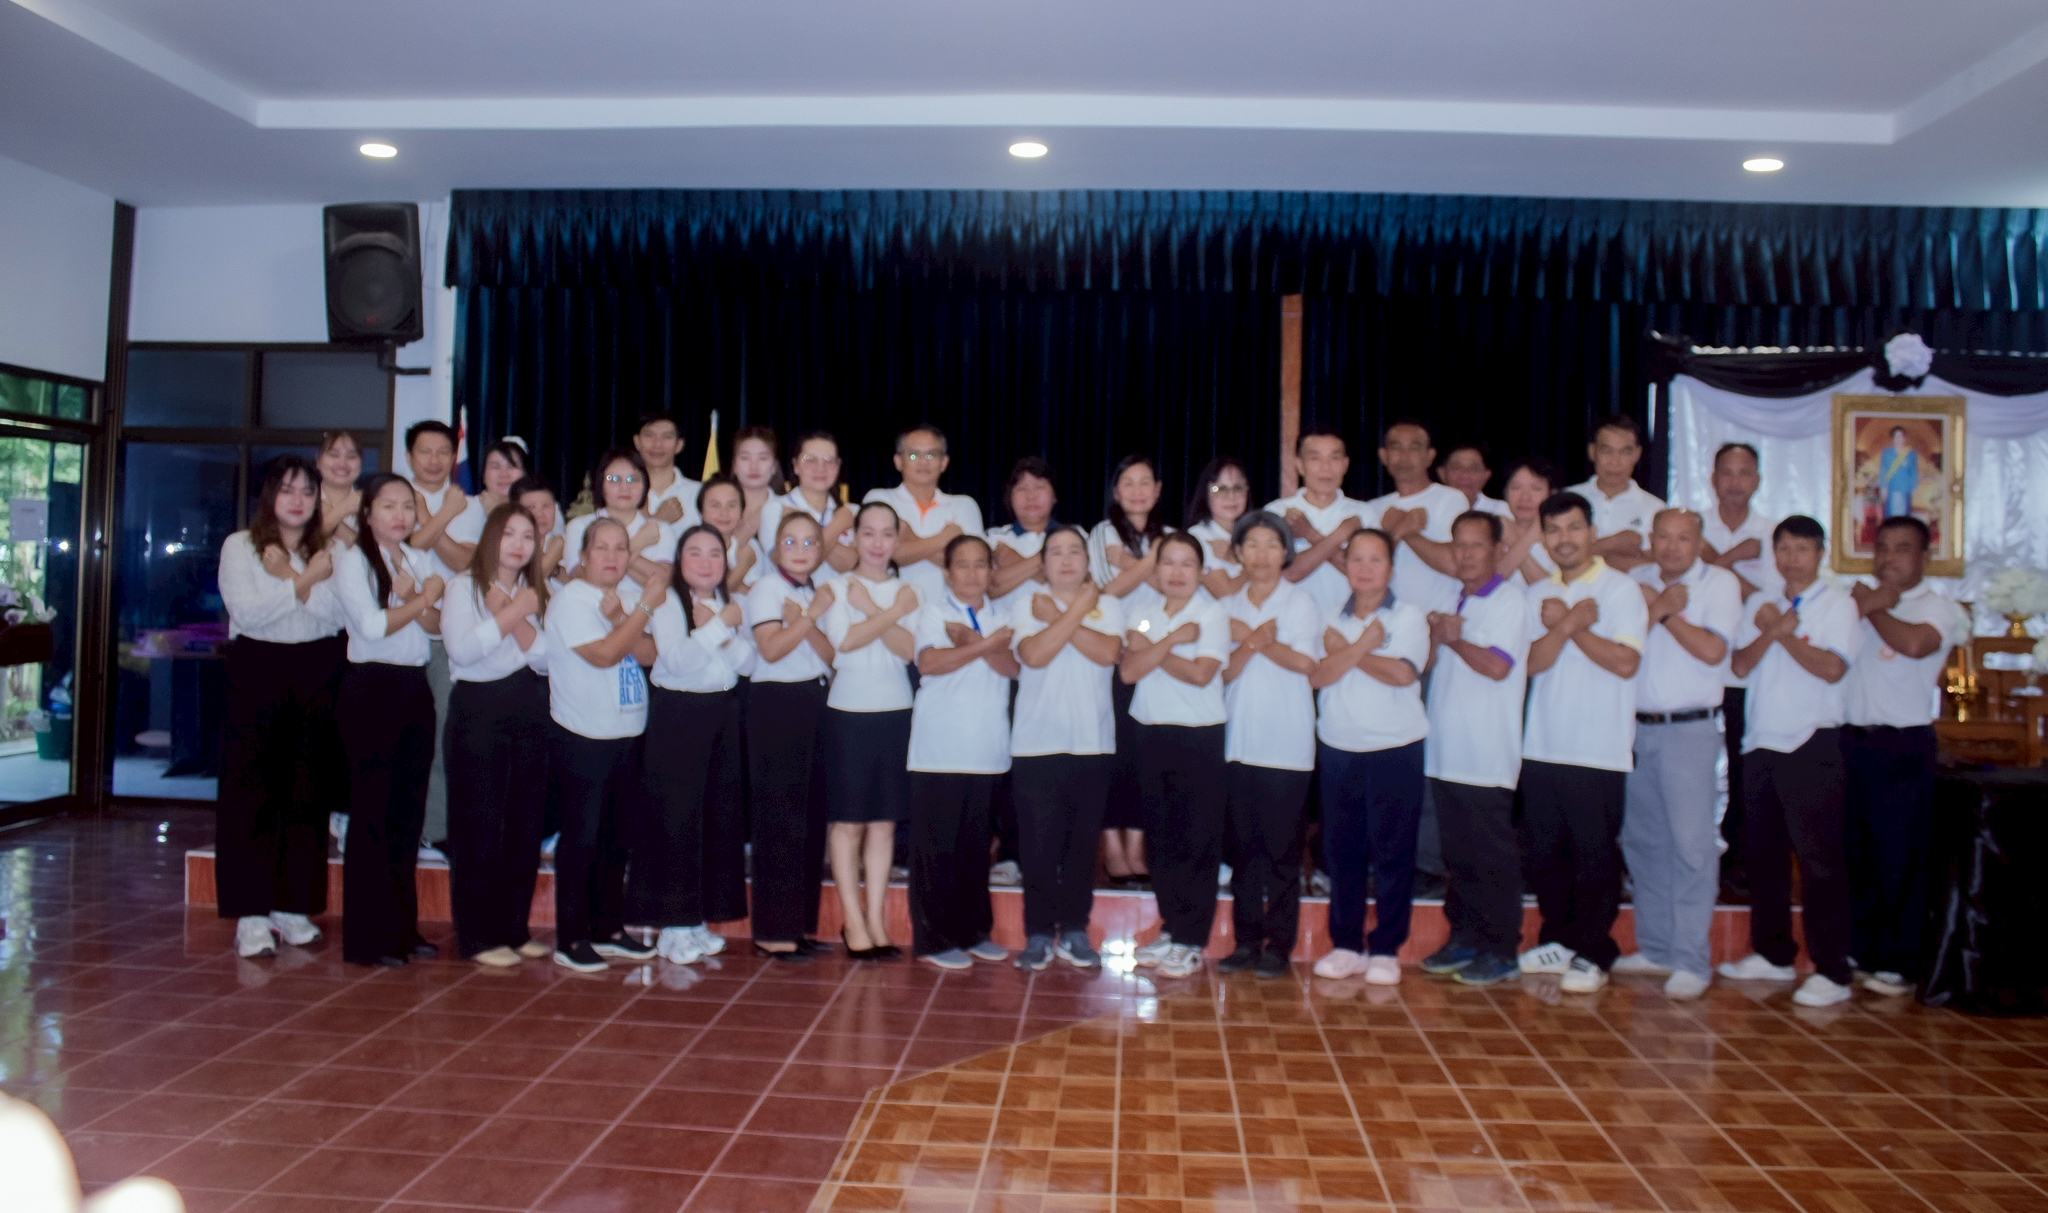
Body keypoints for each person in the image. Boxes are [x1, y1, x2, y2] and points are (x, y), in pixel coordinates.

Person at [1719, 515, 1859, 1007]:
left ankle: (1832, 970)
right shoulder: (1761, 602)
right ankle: (1773, 953)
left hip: (1811, 741)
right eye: (1784, 548)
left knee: (1820, 861)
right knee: (1764, 858)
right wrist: (1773, 630)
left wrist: (1783, 635)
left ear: (1820, 554)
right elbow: (1739, 664)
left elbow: (1832, 667)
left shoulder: (1838, 604)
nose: (1793, 558)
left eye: (1803, 549)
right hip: (1761, 741)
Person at [1516, 491, 1646, 994]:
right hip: (1542, 745)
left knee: (1594, 857)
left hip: (1598, 748)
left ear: (1591, 532)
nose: (1564, 539)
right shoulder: (1538, 594)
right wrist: (1570, 622)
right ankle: (1559, 939)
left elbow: (1625, 662)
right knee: (1544, 856)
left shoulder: (1620, 590)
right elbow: (1531, 663)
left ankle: (1595, 950)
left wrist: (1568, 626)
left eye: (1573, 528)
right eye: (1553, 530)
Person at [216, 456, 343, 959]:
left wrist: (291, 575)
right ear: (270, 495)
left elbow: (333, 618)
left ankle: (293, 906)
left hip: (316, 668)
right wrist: (304, 582)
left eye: (308, 492)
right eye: (288, 490)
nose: (298, 500)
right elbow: (248, 615)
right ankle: (250, 914)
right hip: (257, 668)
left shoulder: (329, 550)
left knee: (306, 790)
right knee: (251, 791)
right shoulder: (240, 546)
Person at [1613, 510, 1741, 1000]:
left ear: (1699, 542)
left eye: (1683, 538)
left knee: (1691, 846)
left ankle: (1691, 959)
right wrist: (1655, 606)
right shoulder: (1637, 580)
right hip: (1636, 727)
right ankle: (1657, 947)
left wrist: (1667, 612)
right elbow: (1624, 643)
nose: (1671, 546)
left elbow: (1712, 651)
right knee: (1643, 843)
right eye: (1663, 537)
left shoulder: (1719, 584)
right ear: (1651, 539)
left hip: (1690, 728)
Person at [1842, 516, 1968, 998]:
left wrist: (1873, 606)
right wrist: (1868, 603)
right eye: (1882, 548)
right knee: (1857, 852)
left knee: (1900, 854)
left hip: (1901, 744)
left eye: (1902, 548)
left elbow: (1915, 644)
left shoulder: (1936, 606)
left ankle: (1901, 959)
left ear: (1923, 557)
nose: (1889, 558)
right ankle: (1863, 949)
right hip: (1851, 740)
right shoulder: (1855, 602)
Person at [331, 474, 446, 966]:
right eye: (388, 506)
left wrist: (418, 596)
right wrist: (420, 598)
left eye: (407, 506)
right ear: (368, 513)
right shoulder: (352, 560)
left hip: (413, 687)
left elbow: (436, 627)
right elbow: (373, 626)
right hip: (371, 688)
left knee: (407, 813)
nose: (400, 516)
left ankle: (401, 927)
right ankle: (366, 937)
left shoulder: (418, 559)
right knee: (372, 814)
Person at [1308, 529, 1430, 985]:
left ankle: (1385, 949)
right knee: (1343, 853)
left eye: (1375, 559)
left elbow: (1401, 673)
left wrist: (1347, 651)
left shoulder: (1410, 617)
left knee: (1394, 852)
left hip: (1396, 747)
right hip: (1339, 746)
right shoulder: (1326, 617)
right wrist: (1364, 645)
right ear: (1345, 566)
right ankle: (1346, 945)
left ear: (1391, 568)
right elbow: (1318, 675)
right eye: (1356, 558)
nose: (1364, 568)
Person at [545, 517, 663, 972]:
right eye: (602, 547)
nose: (612, 556)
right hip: (583, 735)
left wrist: (628, 614)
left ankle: (608, 929)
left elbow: (649, 653)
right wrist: (643, 609)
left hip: (626, 733)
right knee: (582, 839)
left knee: (617, 839)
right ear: (583, 556)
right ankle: (571, 937)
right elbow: (606, 654)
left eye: (620, 548)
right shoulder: (571, 600)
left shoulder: (625, 600)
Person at [1417, 511, 1528, 988]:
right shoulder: (1450, 597)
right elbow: (1428, 663)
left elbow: (1498, 667)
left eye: (1476, 545)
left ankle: (1501, 949)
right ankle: (1464, 937)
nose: (1465, 554)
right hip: (1446, 751)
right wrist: (1434, 638)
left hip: (1487, 754)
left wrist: (1453, 638)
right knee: (1458, 856)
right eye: (1458, 544)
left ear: (1498, 550)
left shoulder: (1510, 600)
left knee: (1492, 857)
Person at [439, 502, 552, 967]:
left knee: (524, 825)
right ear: (490, 538)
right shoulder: (462, 586)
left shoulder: (535, 591)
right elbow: (462, 651)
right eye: (509, 534)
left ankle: (513, 929)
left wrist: (516, 612)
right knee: (479, 825)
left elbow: (546, 658)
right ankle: (478, 937)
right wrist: (509, 615)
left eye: (527, 536)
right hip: (479, 711)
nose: (518, 544)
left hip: (530, 708)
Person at [1009, 524, 1123, 971]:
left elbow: (1107, 652)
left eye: (1075, 551)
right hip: (1036, 744)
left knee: (1081, 846)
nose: (1066, 559)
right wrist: (1076, 611)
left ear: (1088, 561)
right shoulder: (1025, 603)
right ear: (1042, 564)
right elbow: (1034, 655)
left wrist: (1062, 614)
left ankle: (1075, 930)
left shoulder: (1108, 606)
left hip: (1093, 743)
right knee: (1037, 847)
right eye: (1055, 552)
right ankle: (1038, 933)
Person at [1215, 512, 1322, 979]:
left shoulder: (1301, 602)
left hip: (1287, 746)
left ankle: (1279, 944)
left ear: (1285, 553)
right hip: (1239, 743)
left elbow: (1304, 663)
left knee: (1282, 852)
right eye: (1252, 544)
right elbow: (1223, 672)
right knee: (1243, 851)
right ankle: (1244, 941)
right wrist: (1254, 640)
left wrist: (1252, 639)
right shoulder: (1226, 605)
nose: (1261, 554)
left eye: (1271, 545)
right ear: (1238, 552)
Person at [635, 523, 748, 966]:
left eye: (714, 553)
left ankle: (696, 918)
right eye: (694, 553)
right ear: (679, 561)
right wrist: (716, 627)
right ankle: (673, 926)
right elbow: (677, 661)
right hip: (679, 717)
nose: (705, 562)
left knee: (715, 819)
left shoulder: (729, 604)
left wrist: (722, 629)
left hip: (721, 713)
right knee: (676, 820)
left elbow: (748, 663)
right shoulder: (668, 601)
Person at [1122, 532, 1231, 980]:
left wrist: (1151, 648)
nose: (1178, 572)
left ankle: (1191, 937)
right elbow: (1129, 670)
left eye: (1188, 563)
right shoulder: (1144, 611)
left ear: (1201, 571)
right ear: (1156, 569)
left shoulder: (1212, 613)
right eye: (1169, 562)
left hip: (1198, 735)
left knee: (1197, 839)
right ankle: (1171, 925)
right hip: (1150, 732)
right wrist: (1171, 640)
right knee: (1161, 838)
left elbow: (1201, 673)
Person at [907, 535, 1020, 969]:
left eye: (980, 564)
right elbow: (930, 662)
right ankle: (934, 940)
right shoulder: (933, 612)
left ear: (991, 571)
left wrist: (969, 642)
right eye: (963, 565)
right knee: (936, 850)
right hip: (939, 749)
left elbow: (1013, 667)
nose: (972, 573)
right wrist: (987, 644)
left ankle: (974, 932)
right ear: (947, 572)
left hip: (987, 749)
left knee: (975, 850)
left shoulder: (1004, 616)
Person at [819, 502, 921, 959]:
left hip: (896, 711)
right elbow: (845, 643)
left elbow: (910, 650)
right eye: (869, 533)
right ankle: (853, 921)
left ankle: (876, 920)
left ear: (897, 540)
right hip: (848, 713)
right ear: (854, 538)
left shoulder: (909, 590)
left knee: (883, 822)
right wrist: (887, 611)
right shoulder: (837, 587)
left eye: (887, 534)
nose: (878, 543)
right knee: (848, 822)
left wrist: (873, 611)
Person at [745, 511, 839, 960]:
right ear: (775, 548)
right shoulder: (767, 587)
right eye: (790, 541)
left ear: (820, 549)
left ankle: (800, 925)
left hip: (814, 700)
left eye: (809, 542)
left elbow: (831, 655)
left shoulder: (818, 591)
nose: (800, 550)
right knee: (778, 818)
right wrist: (811, 617)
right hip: (777, 703)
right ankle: (772, 930)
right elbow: (771, 648)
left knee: (810, 817)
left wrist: (804, 619)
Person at [1698, 442, 1777, 897]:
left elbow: (1768, 606)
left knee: (1747, 773)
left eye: (1744, 473)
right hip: (1696, 670)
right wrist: (1726, 560)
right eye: (1726, 472)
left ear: (1758, 480)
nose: (1734, 481)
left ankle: (1741, 862)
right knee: (1694, 771)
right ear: (1712, 478)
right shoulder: (1691, 528)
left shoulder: (1771, 535)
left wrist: (1718, 561)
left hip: (1749, 674)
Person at [1089, 454, 1167, 885]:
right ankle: (1112, 849)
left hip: (1154, 657)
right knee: (1111, 753)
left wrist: (1133, 563)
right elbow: (1106, 590)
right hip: (1111, 654)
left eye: (1145, 482)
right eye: (1128, 483)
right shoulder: (1102, 533)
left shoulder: (1170, 537)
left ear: (1157, 490)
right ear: (1116, 492)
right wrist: (1151, 561)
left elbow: (1177, 589)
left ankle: (1137, 846)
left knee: (1144, 756)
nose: (1137, 491)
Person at [401, 420, 466, 860]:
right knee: (397, 738)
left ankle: (434, 830)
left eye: (443, 451)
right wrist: (437, 516)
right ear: (409, 456)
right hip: (395, 636)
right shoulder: (393, 496)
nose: (434, 460)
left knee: (442, 736)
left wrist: (433, 517)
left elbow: (466, 560)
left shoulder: (469, 503)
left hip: (447, 637)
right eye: (425, 451)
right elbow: (411, 540)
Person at [864, 422, 985, 606]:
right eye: (913, 455)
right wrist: (944, 538)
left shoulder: (964, 506)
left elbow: (971, 567)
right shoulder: (880, 499)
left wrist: (909, 539)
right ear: (898, 461)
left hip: (948, 614)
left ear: (944, 462)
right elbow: (884, 555)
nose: (923, 462)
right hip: (887, 612)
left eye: (931, 454)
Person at [1365, 419, 1471, 616]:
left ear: (1429, 457)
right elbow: (1366, 570)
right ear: (1383, 456)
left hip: (1437, 621)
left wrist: (1408, 533)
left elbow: (1454, 564)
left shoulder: (1450, 499)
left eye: (1414, 448)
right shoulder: (1372, 508)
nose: (1404, 456)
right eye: (1396, 447)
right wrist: (1400, 530)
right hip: (1385, 622)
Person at [1267, 426, 1374, 615]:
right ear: (1300, 465)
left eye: (1334, 458)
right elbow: (1285, 574)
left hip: (1349, 621)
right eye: (1315, 458)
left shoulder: (1364, 513)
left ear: (1345, 464)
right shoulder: (1276, 512)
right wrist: (1339, 535)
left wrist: (1310, 535)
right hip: (1289, 622)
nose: (1326, 467)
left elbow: (1368, 574)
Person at [563, 448, 678, 587]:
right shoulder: (579, 526)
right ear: (600, 484)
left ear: (645, 485)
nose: (624, 487)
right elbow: (581, 576)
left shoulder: (660, 529)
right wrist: (638, 543)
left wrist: (608, 561)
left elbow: (663, 581)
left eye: (632, 479)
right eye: (614, 479)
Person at [1568, 415, 1663, 573]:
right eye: (1607, 451)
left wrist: (1591, 554)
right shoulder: (1568, 500)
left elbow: (1656, 566)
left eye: (1624, 452)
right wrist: (1612, 544)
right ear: (1592, 451)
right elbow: (1555, 557)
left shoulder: (1656, 509)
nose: (1615, 462)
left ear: (1637, 454)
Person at [760, 430, 858, 581]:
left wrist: (799, 527)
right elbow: (788, 565)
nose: (820, 468)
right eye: (810, 460)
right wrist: (838, 525)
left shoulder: (853, 511)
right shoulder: (776, 508)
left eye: (829, 460)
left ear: (838, 465)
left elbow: (851, 564)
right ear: (795, 465)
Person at [988, 456, 1058, 613]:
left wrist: (1013, 562)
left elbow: (1084, 585)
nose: (1031, 496)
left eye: (1039, 487)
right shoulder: (994, 538)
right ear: (1010, 497)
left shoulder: (1075, 536)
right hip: (1006, 626)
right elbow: (989, 587)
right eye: (1022, 488)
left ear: (1054, 496)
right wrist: (1053, 558)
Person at [1184, 457, 1252, 601]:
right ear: (1206, 493)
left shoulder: (1254, 533)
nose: (1231, 496)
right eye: (1220, 489)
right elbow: (1225, 594)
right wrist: (1255, 563)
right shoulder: (1199, 536)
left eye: (1237, 488)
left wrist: (1235, 557)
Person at [697, 471, 765, 595]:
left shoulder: (751, 547)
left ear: (742, 512)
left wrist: (737, 584)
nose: (724, 513)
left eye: (731, 505)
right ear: (701, 512)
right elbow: (709, 594)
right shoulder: (692, 547)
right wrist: (743, 566)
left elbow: (757, 597)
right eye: (715, 505)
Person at [1495, 456, 1559, 586]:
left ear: (1551, 494)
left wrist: (1515, 540)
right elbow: (1490, 584)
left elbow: (1553, 591)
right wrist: (1529, 537)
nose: (1525, 497)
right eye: (1516, 487)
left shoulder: (1560, 536)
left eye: (1536, 488)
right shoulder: (1492, 533)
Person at [635, 412, 702, 528]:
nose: (657, 444)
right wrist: (660, 519)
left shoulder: (699, 492)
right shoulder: (623, 491)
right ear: (637, 442)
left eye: (667, 437)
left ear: (679, 445)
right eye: (649, 435)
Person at [730, 425, 783, 559]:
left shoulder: (787, 508)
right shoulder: (718, 507)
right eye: (745, 458)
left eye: (762, 458)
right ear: (734, 466)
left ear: (774, 466)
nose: (754, 466)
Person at [511, 473, 568, 587]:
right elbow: (528, 584)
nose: (540, 514)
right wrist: (552, 555)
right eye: (531, 507)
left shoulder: (566, 541)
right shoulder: (508, 544)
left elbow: (584, 584)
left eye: (546, 506)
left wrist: (555, 570)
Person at [314, 431, 363, 547]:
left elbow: (379, 553)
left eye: (351, 456)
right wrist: (345, 508)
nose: (342, 464)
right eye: (333, 455)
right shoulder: (302, 500)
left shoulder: (372, 503)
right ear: (318, 461)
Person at [1438, 442, 1511, 518]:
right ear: (1442, 473)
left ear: (1486, 475)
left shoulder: (1502, 511)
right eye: (1457, 467)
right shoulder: (1432, 508)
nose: (1465, 475)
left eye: (1474, 469)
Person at [1878, 427, 1918, 520]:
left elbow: (1913, 471)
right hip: (1891, 487)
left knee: (1904, 515)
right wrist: (1883, 487)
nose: (1899, 439)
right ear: (1893, 439)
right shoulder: (1886, 452)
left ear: (1904, 438)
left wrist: (1914, 487)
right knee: (1891, 514)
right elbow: (1883, 470)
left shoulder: (1911, 453)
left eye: (1901, 436)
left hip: (1905, 488)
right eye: (1896, 437)